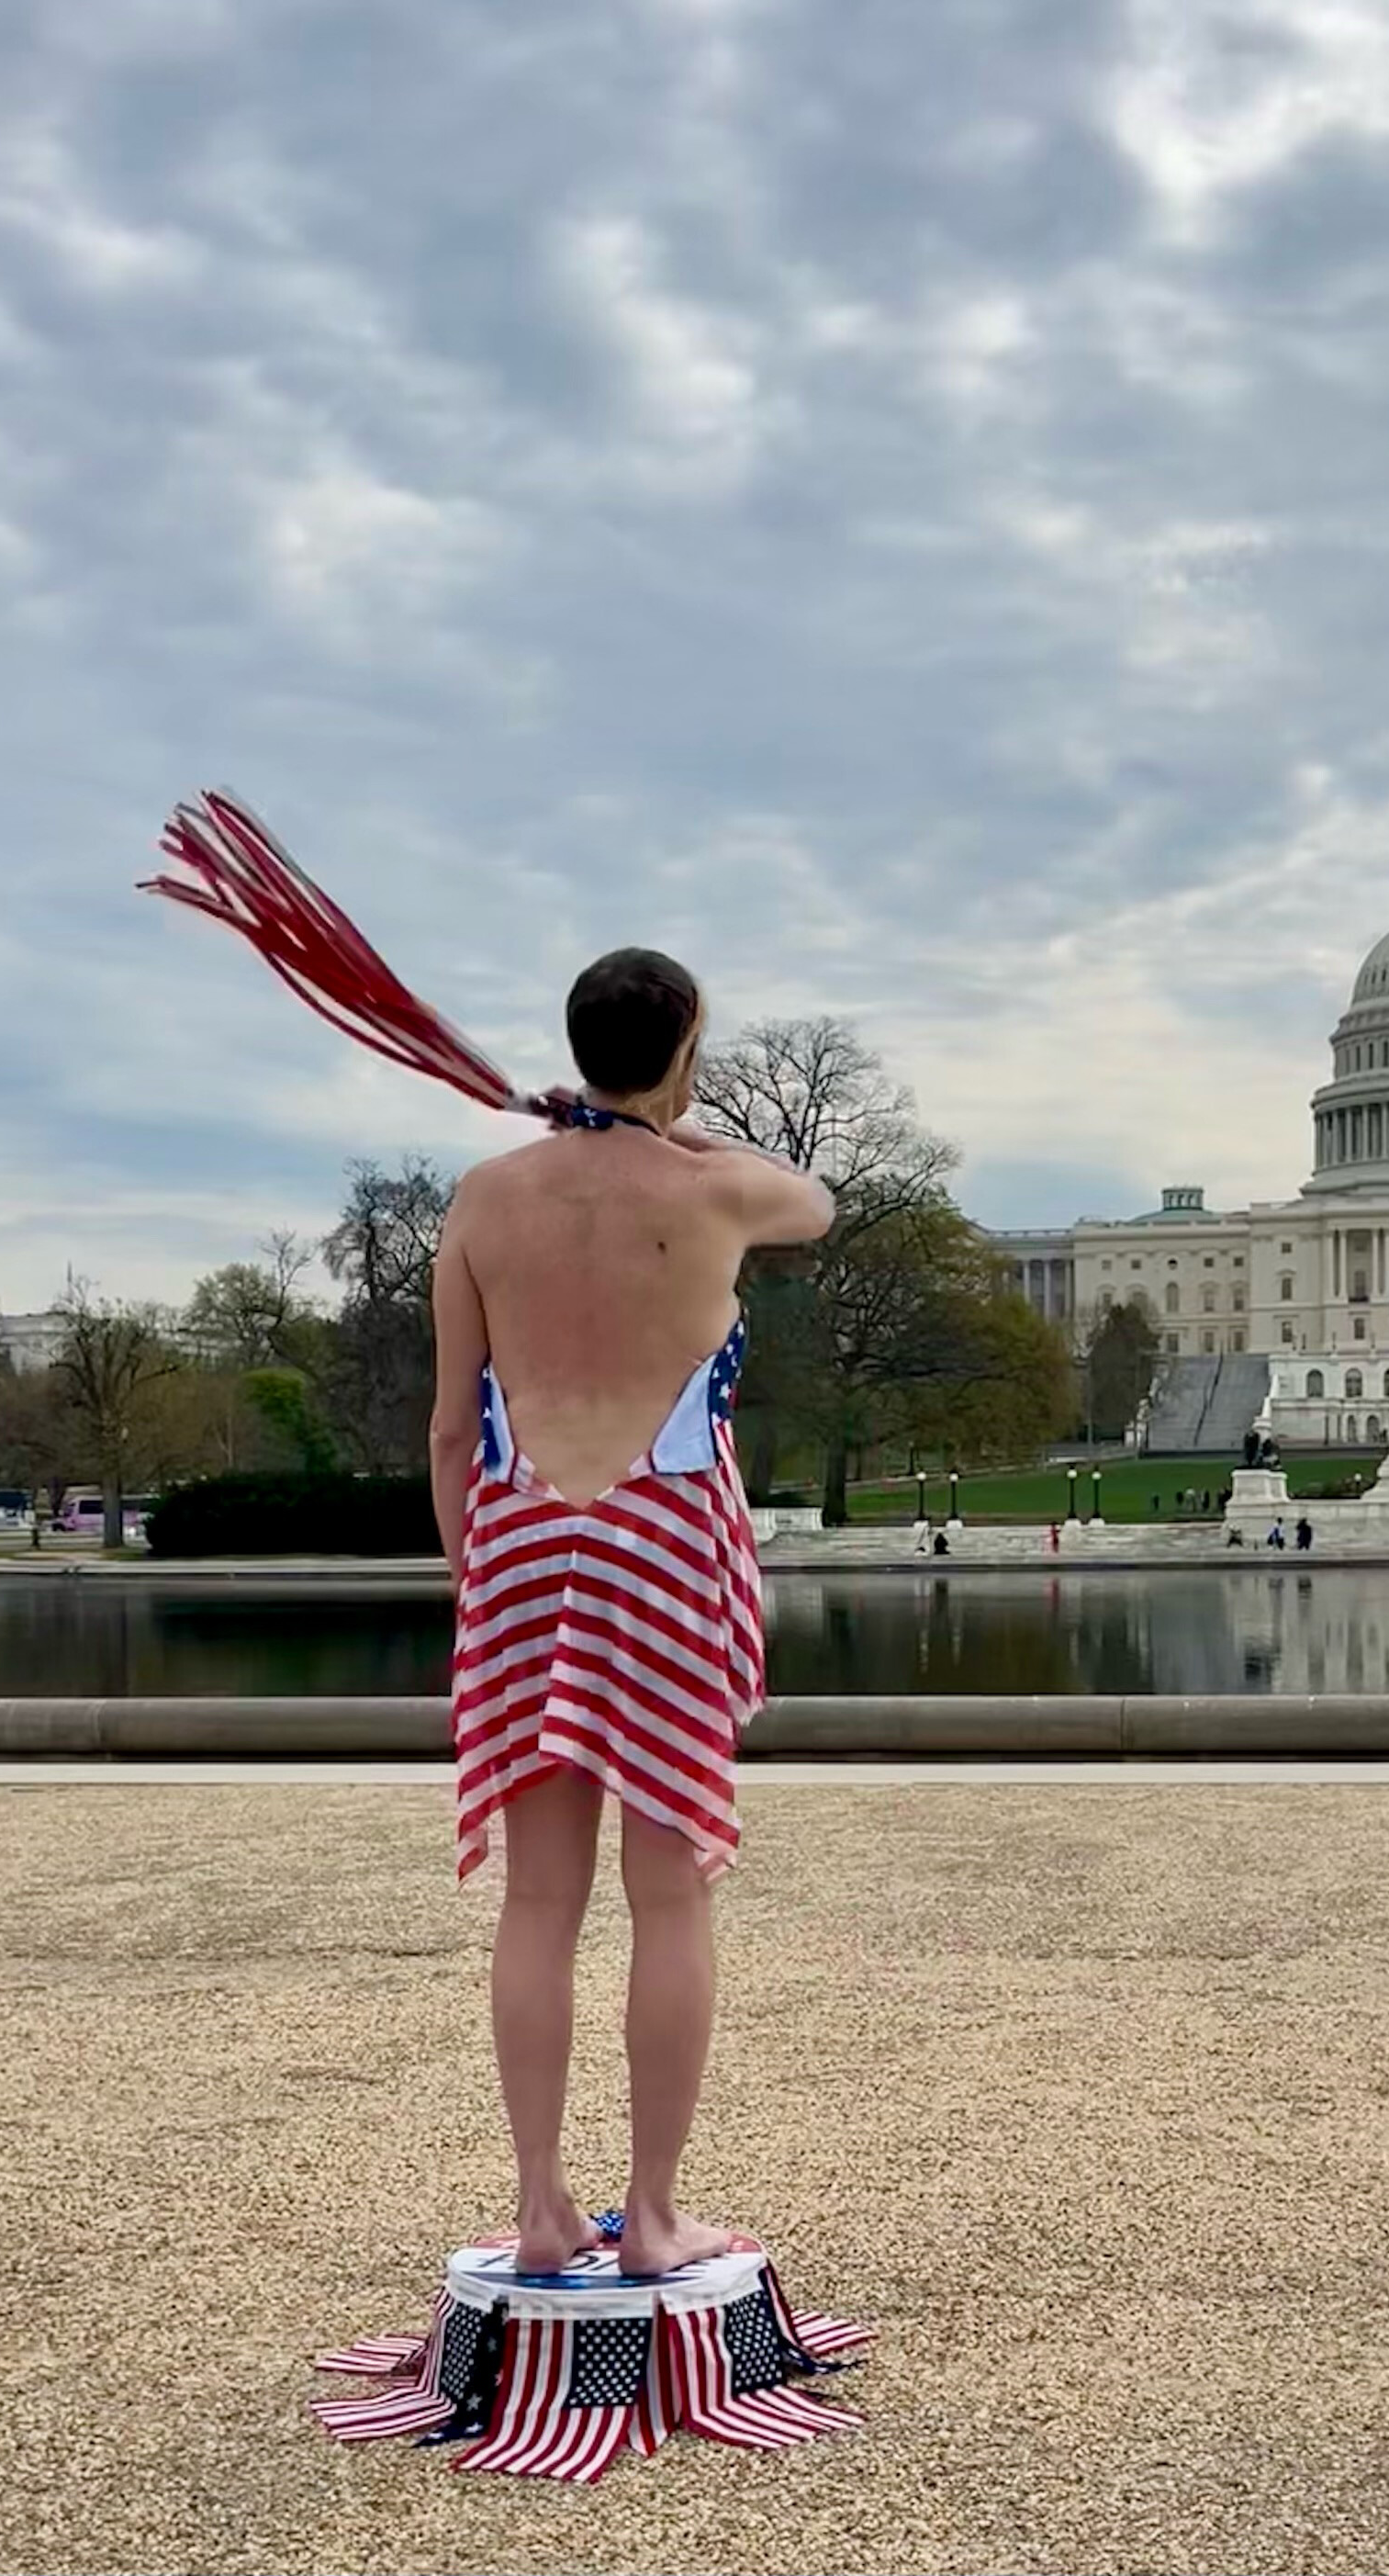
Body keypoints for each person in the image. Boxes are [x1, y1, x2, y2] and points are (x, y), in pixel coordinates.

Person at [430, 948, 835, 2277]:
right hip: (662, 1542)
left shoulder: (484, 1197)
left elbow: (451, 1430)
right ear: (687, 1047)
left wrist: (476, 1583)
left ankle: (543, 2208)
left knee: (539, 1898)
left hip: (521, 1539)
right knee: (668, 1897)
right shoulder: (716, 1189)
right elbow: (818, 1202)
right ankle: (653, 2213)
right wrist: (670, 1131)